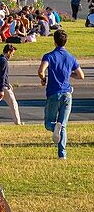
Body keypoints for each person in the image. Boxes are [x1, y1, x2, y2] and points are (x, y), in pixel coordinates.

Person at [38, 29, 84, 159]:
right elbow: (81, 75)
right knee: (62, 125)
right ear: (66, 42)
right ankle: (62, 155)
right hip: (67, 93)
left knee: (49, 123)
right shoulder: (71, 57)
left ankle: (54, 127)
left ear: (54, 41)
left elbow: (41, 70)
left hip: (54, 93)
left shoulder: (49, 56)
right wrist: (69, 73)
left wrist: (43, 79)